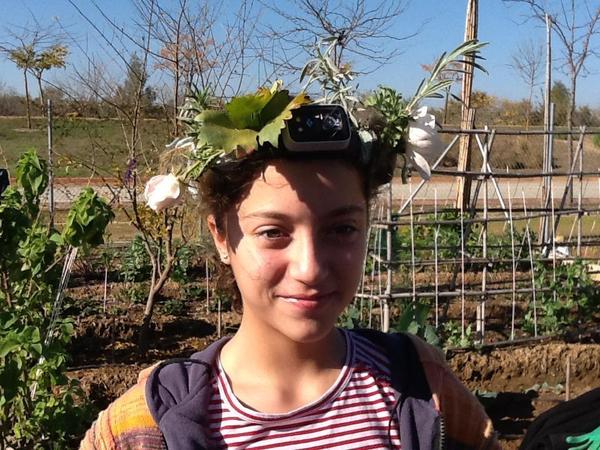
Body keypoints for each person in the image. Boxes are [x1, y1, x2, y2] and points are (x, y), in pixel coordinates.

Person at [81, 91, 499, 450]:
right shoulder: (147, 424)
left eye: (342, 229)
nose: (309, 268)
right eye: (273, 232)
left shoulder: (422, 386)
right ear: (221, 237)